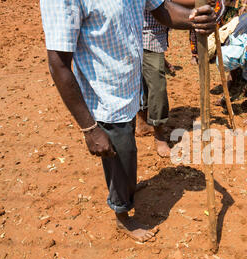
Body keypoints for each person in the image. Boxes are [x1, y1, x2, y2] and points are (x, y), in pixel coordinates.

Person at [40, 0, 216, 242]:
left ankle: (128, 188)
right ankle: (122, 213)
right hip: (104, 100)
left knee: (126, 152)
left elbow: (161, 9)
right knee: (121, 158)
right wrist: (90, 129)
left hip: (129, 87)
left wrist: (195, 17)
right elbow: (58, 64)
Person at [135, 8, 172, 158]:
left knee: (144, 80)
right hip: (145, 36)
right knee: (157, 87)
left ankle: (143, 123)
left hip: (151, 37)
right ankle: (159, 134)